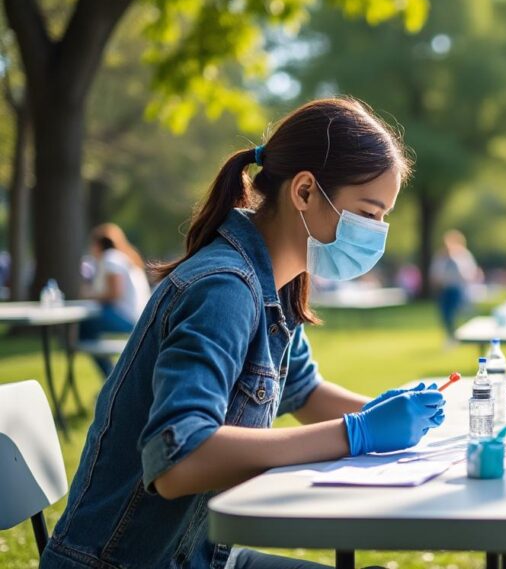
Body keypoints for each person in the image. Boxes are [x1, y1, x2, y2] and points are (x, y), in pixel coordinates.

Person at [41, 98, 446, 569]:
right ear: (305, 191)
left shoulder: (278, 282)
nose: (377, 233)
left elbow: (304, 392)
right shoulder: (224, 289)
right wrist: (356, 433)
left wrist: (390, 414)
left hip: (197, 555)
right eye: (368, 214)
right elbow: (178, 460)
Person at [79, 224, 152, 377]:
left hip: (127, 318)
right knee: (86, 330)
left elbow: (114, 294)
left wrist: (89, 295)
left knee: (84, 325)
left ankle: (110, 376)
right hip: (138, 317)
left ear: (98, 245)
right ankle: (111, 375)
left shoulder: (110, 258)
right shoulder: (123, 257)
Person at [430, 229, 481, 344]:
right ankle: (450, 336)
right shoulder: (440, 256)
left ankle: (458, 336)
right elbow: (435, 273)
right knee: (445, 315)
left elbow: (469, 273)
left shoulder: (464, 255)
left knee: (456, 314)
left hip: (458, 289)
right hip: (444, 289)